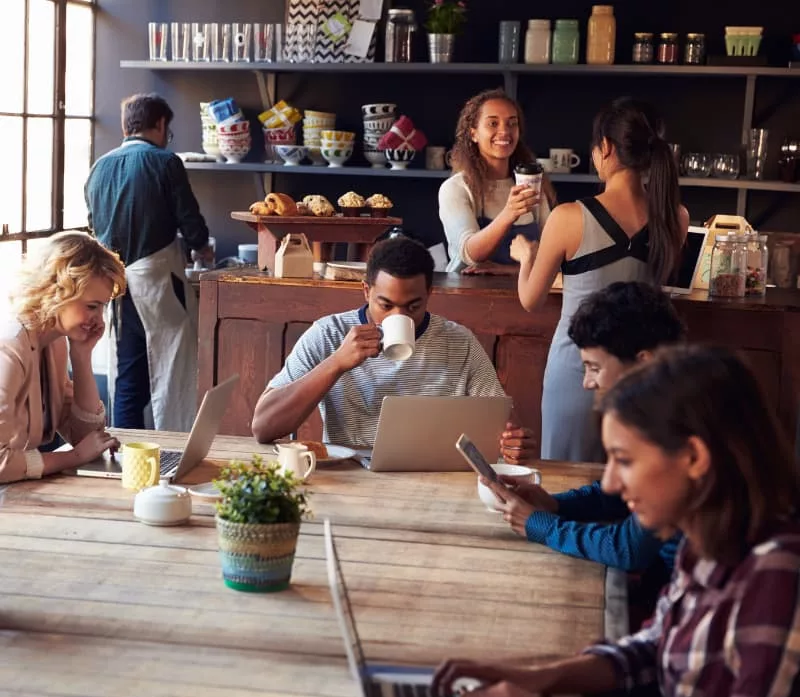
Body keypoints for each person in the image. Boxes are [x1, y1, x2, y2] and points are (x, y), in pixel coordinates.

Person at [435, 345, 800, 697]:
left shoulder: (779, 581)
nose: (609, 483)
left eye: (624, 460)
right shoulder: (705, 537)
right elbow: (656, 646)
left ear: (694, 458)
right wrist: (538, 678)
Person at [513, 96, 689, 462]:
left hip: (577, 370)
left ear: (605, 148)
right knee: (628, 484)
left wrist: (526, 258)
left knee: (566, 485)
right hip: (639, 374)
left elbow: (531, 299)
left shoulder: (568, 217)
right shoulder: (677, 217)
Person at [493, 282, 685, 583]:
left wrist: (540, 525)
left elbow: (628, 548)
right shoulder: (661, 408)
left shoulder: (675, 428)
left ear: (643, 363)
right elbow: (619, 496)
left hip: (670, 593)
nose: (586, 383)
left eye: (594, 368)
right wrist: (555, 505)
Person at [251, 236, 509, 449]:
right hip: (351, 479)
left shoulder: (459, 343)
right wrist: (336, 363)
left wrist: (511, 441)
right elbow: (263, 426)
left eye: (413, 306)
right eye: (385, 305)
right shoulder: (329, 334)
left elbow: (498, 423)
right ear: (366, 291)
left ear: (429, 294)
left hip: (435, 478)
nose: (399, 316)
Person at [85, 92, 213, 432]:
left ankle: (124, 454)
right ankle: (173, 451)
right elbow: (190, 220)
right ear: (159, 125)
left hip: (112, 283)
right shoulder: (165, 162)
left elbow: (93, 224)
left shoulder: (99, 167)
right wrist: (202, 249)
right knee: (172, 369)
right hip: (158, 283)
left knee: (128, 376)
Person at [0, 232, 125, 483]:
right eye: (92, 306)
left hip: (19, 490)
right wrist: (72, 457)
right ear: (57, 292)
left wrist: (82, 356)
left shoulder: (54, 342)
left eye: (103, 307)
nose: (99, 320)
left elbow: (86, 437)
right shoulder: (9, 349)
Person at [438, 88, 556, 276]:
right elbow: (470, 254)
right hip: (465, 297)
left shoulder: (532, 185)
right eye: (493, 123)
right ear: (474, 134)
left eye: (512, 123)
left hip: (524, 296)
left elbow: (551, 255)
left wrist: (506, 270)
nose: (504, 131)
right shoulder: (456, 188)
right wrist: (509, 213)